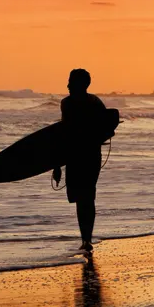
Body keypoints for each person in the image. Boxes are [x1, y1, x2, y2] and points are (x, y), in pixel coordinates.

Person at [53, 68, 107, 254]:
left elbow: (62, 135)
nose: (67, 85)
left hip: (75, 156)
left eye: (70, 81)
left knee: (81, 199)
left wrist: (57, 164)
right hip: (92, 156)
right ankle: (86, 239)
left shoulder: (67, 104)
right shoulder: (96, 102)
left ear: (79, 84)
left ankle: (85, 239)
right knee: (87, 197)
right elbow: (106, 128)